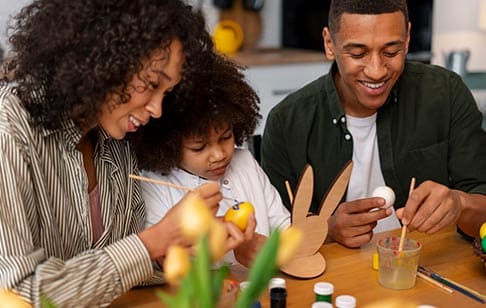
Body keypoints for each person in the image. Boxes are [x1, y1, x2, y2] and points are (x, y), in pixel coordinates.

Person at [0, 0, 247, 306]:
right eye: (151, 85)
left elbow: (113, 269)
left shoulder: (117, 137)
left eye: (166, 92)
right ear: (102, 61)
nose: (157, 110)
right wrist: (156, 239)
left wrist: (182, 247)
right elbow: (19, 292)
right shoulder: (8, 131)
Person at [261, 0, 486, 248]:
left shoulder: (446, 94)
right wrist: (328, 230)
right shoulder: (286, 123)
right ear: (329, 44)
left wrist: (460, 204)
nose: (377, 71)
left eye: (391, 52)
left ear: (408, 37)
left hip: (427, 270)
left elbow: (481, 205)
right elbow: (272, 240)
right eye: (358, 53)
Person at [132, 54, 291, 267]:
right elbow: (165, 265)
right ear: (167, 146)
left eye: (226, 137)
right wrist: (234, 251)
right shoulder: (154, 186)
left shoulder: (245, 162)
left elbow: (283, 228)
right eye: (199, 147)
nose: (219, 154)